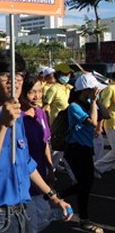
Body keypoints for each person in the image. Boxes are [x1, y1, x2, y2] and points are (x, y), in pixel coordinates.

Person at [0, 50, 72, 233]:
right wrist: (2, 125)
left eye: (19, 75)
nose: (14, 80)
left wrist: (53, 196)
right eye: (6, 75)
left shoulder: (18, 117)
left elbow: (25, 163)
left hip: (23, 212)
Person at [59, 73, 109, 233]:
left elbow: (105, 114)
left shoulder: (88, 103)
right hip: (75, 149)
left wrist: (96, 100)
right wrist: (93, 101)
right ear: (85, 89)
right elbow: (93, 122)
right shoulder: (74, 107)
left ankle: (56, 195)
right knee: (84, 185)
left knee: (86, 184)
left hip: (86, 148)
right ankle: (83, 218)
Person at [20, 73, 55, 232]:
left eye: (39, 91)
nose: (37, 96)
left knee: (42, 217)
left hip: (40, 170)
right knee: (29, 221)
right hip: (23, 173)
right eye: (31, 92)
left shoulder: (40, 113)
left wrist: (50, 166)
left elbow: (45, 141)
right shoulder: (15, 116)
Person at [94, 72, 115, 178]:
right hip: (112, 123)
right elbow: (103, 109)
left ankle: (101, 167)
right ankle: (96, 167)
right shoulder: (110, 89)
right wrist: (99, 126)